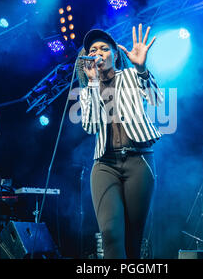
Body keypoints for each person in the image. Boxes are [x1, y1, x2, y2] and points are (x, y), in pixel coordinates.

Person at [76, 24, 163, 258]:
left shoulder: (132, 75)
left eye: (104, 48)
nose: (98, 53)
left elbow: (156, 99)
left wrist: (142, 68)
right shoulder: (86, 90)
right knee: (110, 235)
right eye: (93, 50)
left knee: (133, 240)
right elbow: (91, 125)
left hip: (139, 160)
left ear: (115, 54)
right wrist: (93, 83)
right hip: (105, 164)